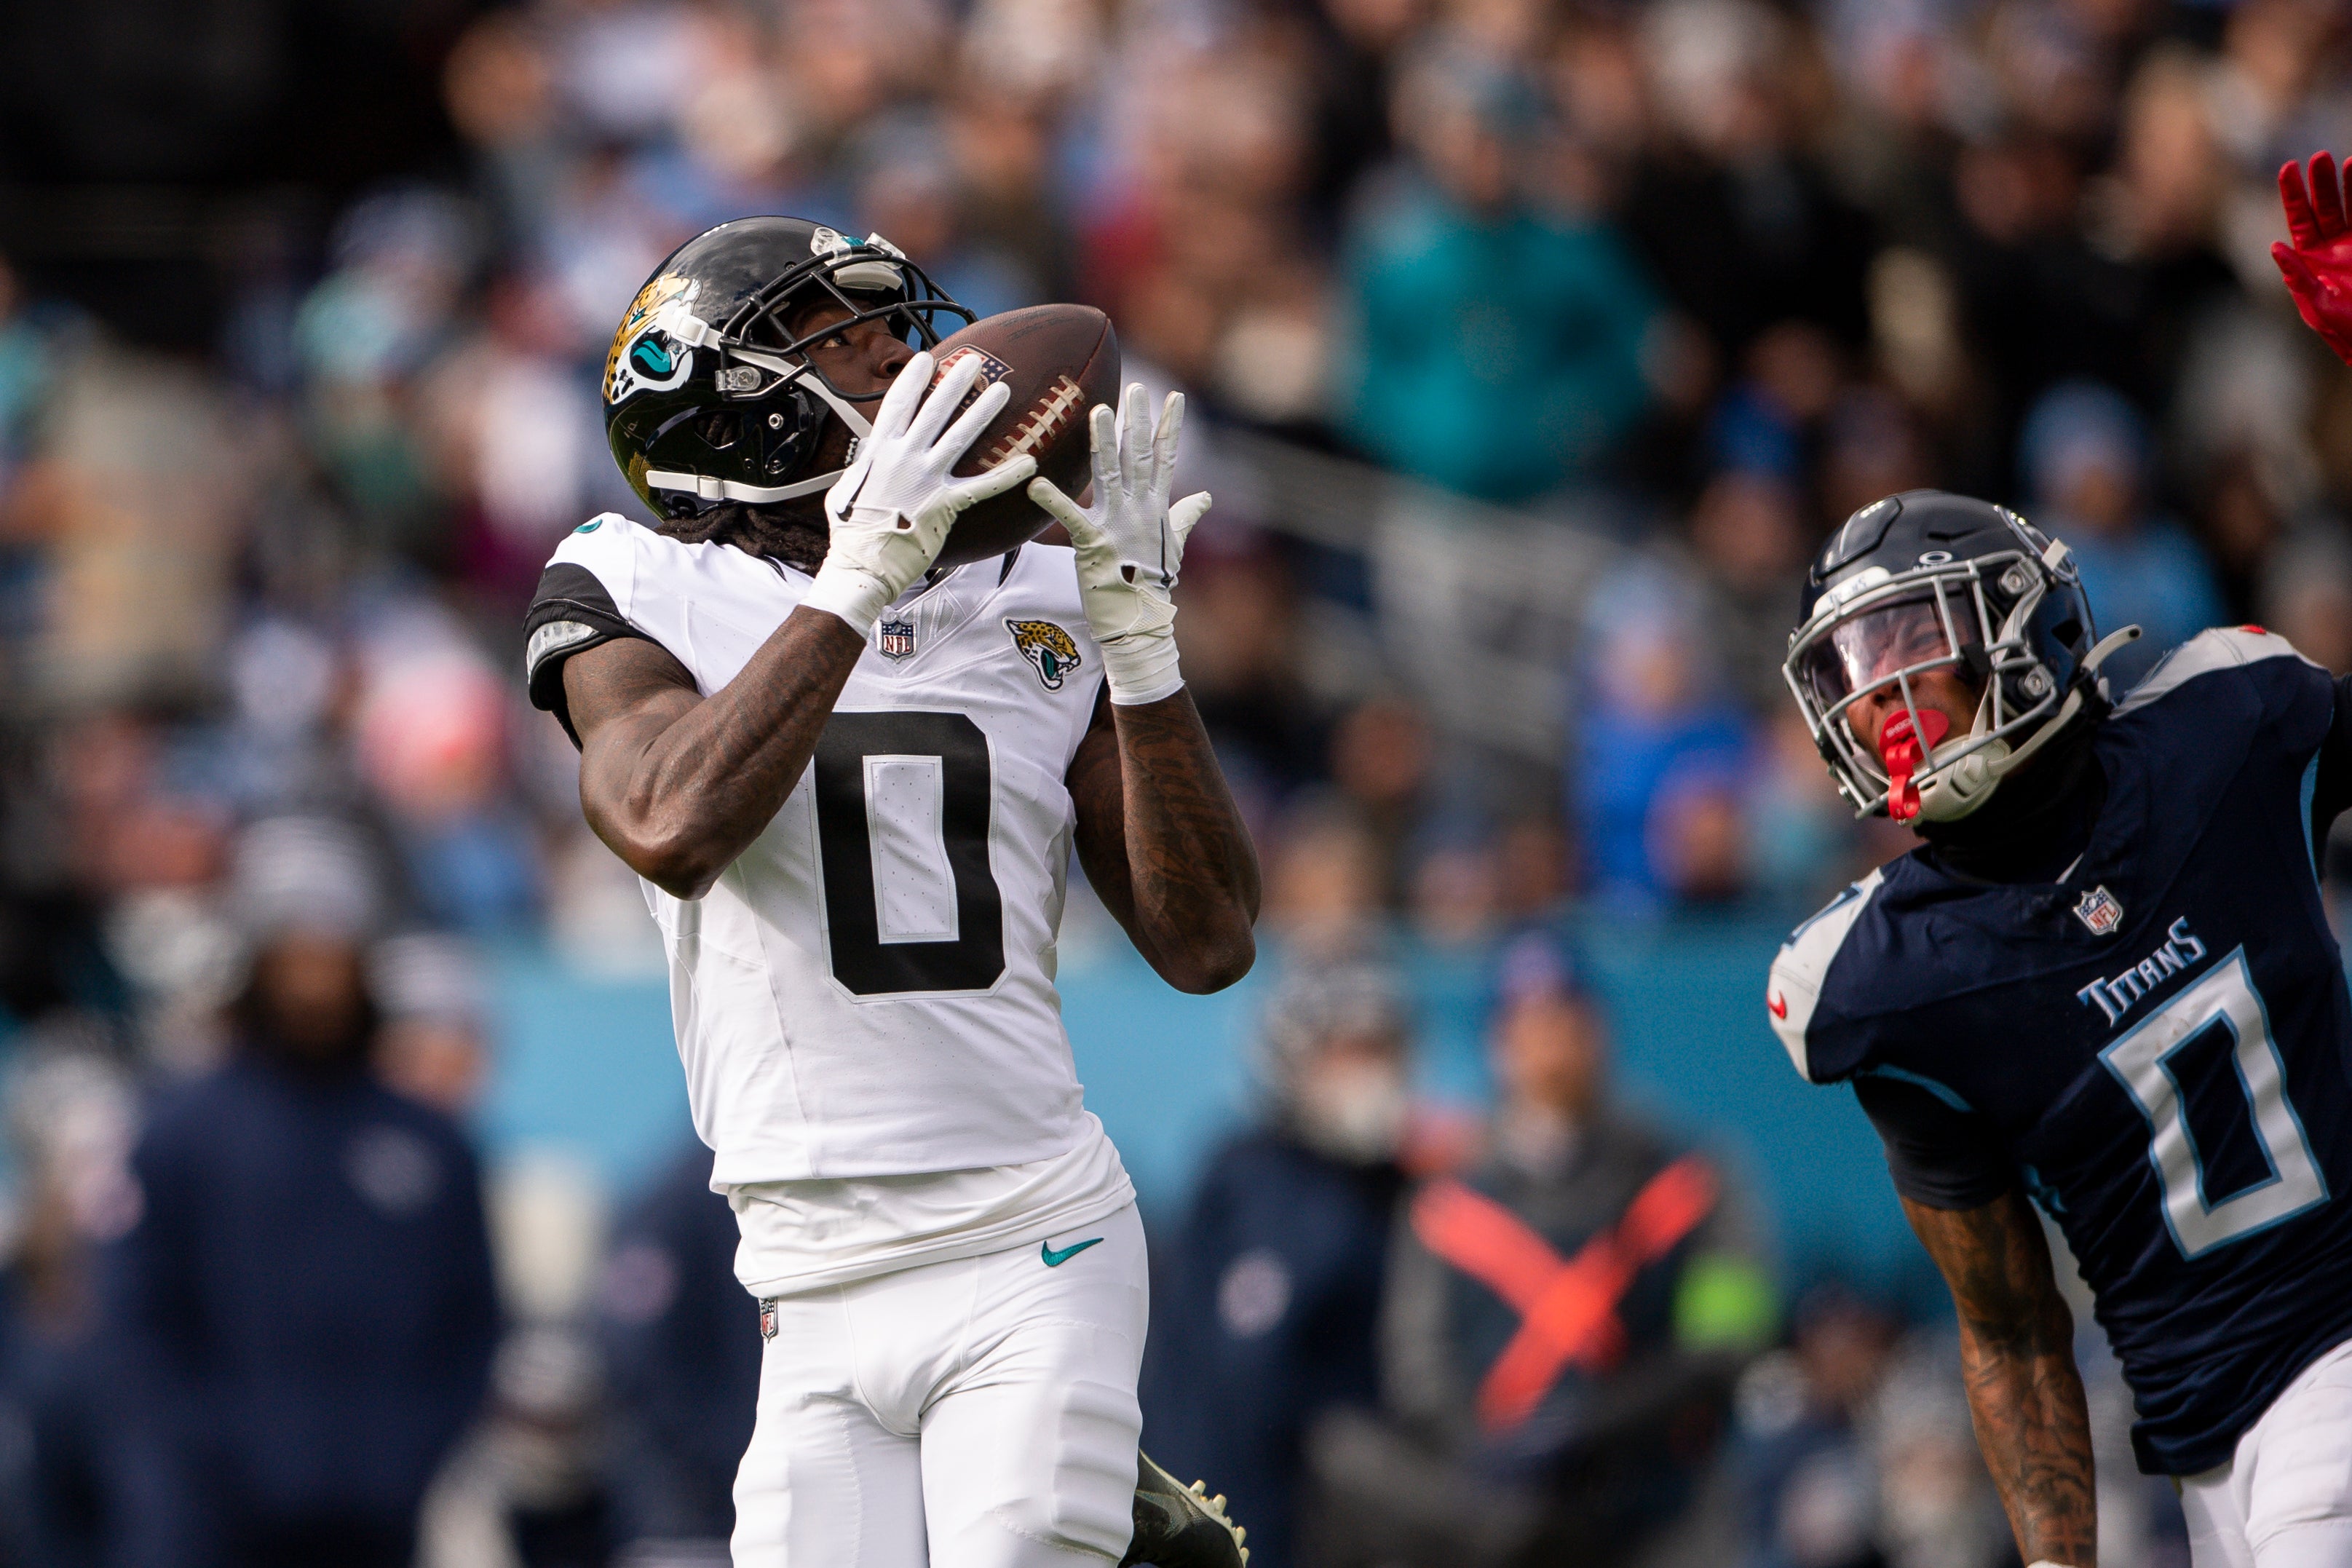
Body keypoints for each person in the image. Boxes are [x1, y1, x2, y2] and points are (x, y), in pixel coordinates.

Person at [521, 219, 1262, 1567]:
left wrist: (1144, 655)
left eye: (888, 330)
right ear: (720, 405)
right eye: (840, 341)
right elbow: (668, 819)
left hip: (1027, 1226)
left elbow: (1206, 939)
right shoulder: (637, 579)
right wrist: (862, 577)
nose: (901, 363)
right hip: (799, 1275)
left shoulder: (1042, 587)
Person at [1766, 483, 2352, 1568]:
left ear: (2021, 626)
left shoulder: (2228, 730)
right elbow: (2008, 1324)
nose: (1878, 694)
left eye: (1908, 636)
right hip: (2203, 1450)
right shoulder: (1887, 983)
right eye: (1849, 667)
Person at [103, 816, 500, 1568]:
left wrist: (406, 1457)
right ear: (257, 961)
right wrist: (220, 1455)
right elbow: (139, 1326)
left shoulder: (429, 1144)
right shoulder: (180, 1133)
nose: (315, 982)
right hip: (212, 1527)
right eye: (295, 956)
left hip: (377, 1523)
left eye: (333, 955)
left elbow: (472, 1322)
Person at [1311, 930, 1773, 1568]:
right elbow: (1417, 1367)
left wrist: (1584, 1432)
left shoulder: (1693, 1179)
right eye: (1527, 1020)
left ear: (1600, 1029)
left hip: (1659, 1503)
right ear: (1497, 1042)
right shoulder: (1445, 1202)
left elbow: (1726, 1338)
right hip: (1500, 1513)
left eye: (1566, 1016)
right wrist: (1495, 1452)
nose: (1549, 1040)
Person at [1141, 959, 1417, 1568]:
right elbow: (1246, 1388)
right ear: (1293, 1058)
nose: (1372, 1073)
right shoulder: (1255, 1184)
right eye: (1349, 1050)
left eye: (1382, 1049)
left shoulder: (1397, 1186)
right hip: (1264, 1523)